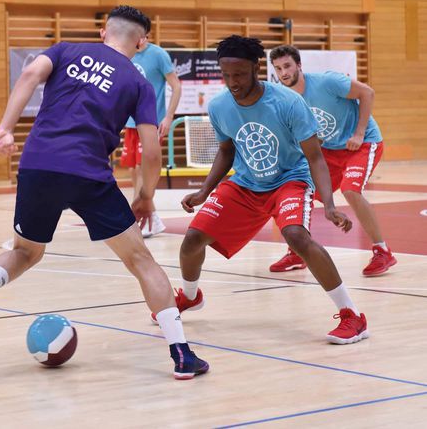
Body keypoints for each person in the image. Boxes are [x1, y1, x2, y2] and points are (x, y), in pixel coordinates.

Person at [0, 5, 208, 380]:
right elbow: (151, 152)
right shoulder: (138, 84)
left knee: (24, 251)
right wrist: (146, 195)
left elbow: (29, 74)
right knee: (140, 260)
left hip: (38, 165)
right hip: (89, 173)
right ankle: (181, 354)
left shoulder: (66, 50)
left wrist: (5, 128)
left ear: (103, 32)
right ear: (142, 42)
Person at [154, 35, 369, 345]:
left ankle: (352, 316)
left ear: (256, 69)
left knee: (296, 236)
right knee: (193, 239)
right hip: (246, 183)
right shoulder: (219, 106)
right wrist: (204, 191)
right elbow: (226, 151)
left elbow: (315, 157)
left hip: (290, 179)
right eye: (226, 75)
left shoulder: (288, 102)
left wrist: (330, 205)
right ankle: (190, 296)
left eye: (240, 74)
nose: (233, 82)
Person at [269, 45, 397, 277]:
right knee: (300, 190)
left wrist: (359, 133)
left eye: (287, 66)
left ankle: (382, 251)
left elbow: (367, 93)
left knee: (350, 190)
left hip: (362, 142)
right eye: (278, 69)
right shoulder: (286, 99)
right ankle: (297, 251)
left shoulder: (327, 82)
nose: (284, 73)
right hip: (330, 149)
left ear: (299, 65)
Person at [119, 33, 181, 238]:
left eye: (143, 36)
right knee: (133, 170)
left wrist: (169, 117)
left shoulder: (158, 55)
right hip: (130, 122)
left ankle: (137, 218)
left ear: (146, 35)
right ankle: (151, 217)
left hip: (151, 120)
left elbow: (176, 86)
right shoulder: (126, 53)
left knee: (142, 168)